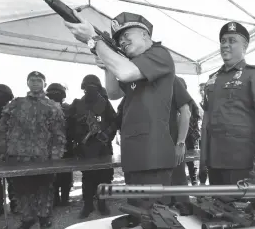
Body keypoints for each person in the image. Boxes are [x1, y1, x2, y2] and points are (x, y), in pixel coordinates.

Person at [65, 11, 176, 218]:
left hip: (153, 155)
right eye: (118, 39)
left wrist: (95, 40)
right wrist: (107, 65)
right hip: (135, 153)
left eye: (127, 35)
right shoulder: (135, 65)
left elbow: (125, 73)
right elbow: (114, 93)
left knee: (157, 218)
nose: (122, 41)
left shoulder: (158, 53)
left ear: (145, 35)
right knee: (139, 215)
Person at [200, 21, 255, 185]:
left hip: (243, 160)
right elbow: (205, 122)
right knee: (217, 208)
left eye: (232, 41)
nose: (225, 45)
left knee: (244, 208)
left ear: (245, 46)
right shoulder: (212, 80)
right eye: (223, 41)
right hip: (215, 160)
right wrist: (203, 159)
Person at [0, 71, 66, 229]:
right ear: (27, 83)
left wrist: (55, 157)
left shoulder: (52, 107)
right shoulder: (16, 104)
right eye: (32, 80)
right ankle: (27, 218)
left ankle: (44, 216)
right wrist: (2, 152)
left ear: (44, 84)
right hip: (18, 156)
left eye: (38, 80)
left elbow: (58, 134)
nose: (35, 83)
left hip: (43, 156)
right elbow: (3, 129)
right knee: (21, 189)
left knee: (44, 188)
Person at [68, 75, 117, 218]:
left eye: (94, 87)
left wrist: (107, 134)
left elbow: (114, 121)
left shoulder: (105, 103)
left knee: (105, 177)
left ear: (99, 88)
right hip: (85, 147)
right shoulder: (77, 104)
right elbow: (69, 125)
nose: (90, 89)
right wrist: (76, 140)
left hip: (103, 146)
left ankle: (102, 204)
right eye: (88, 87)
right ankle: (88, 205)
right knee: (87, 177)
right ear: (83, 88)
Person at [0, 84, 17, 217]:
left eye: (3, 96)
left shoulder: (15, 112)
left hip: (11, 149)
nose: (0, 99)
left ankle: (15, 205)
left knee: (13, 179)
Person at [46, 83, 74, 207]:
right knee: (52, 176)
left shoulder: (68, 108)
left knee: (66, 174)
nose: (55, 96)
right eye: (52, 94)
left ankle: (65, 199)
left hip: (67, 146)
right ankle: (55, 199)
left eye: (57, 94)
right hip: (50, 147)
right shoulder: (43, 109)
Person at [168, 76, 192, 208]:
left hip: (176, 141)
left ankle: (183, 206)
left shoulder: (174, 81)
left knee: (178, 176)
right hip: (164, 142)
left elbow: (187, 114)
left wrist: (180, 143)